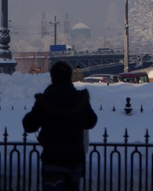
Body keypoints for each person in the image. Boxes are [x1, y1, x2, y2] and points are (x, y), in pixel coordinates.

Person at [23, 61, 98, 191]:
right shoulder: (80, 99)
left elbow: (29, 125)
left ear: (52, 78)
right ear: (70, 77)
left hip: (52, 157)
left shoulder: (45, 100)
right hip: (75, 158)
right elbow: (91, 121)